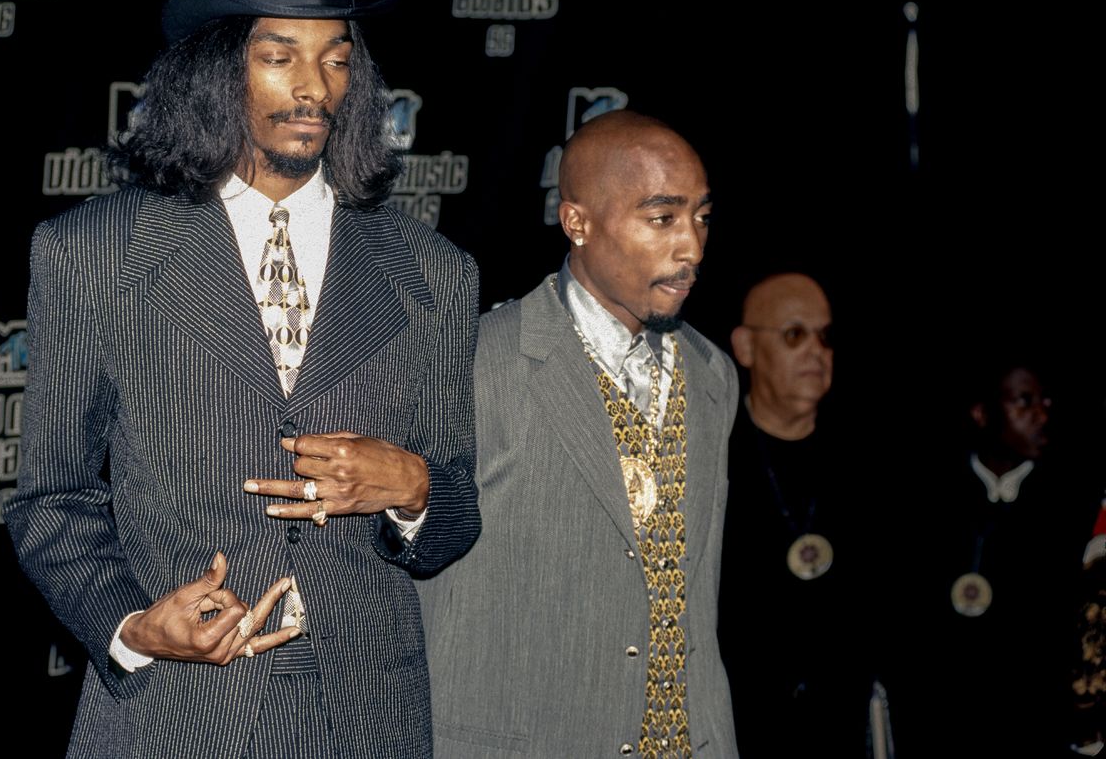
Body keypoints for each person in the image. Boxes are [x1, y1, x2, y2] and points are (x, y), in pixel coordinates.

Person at [3, 0, 480, 758]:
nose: (315, 88)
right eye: (279, 56)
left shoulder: (434, 273)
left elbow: (454, 515)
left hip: (368, 720)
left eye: (337, 57)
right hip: (174, 718)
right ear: (216, 67)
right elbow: (52, 500)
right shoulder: (91, 255)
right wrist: (135, 625)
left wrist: (412, 486)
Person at [417, 110, 739, 758]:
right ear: (578, 223)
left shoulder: (714, 376)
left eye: (701, 216)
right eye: (663, 217)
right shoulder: (480, 363)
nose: (692, 247)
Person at [888, 358, 1096, 757]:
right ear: (982, 413)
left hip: (1034, 730)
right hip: (942, 728)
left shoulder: (1070, 505)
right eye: (1024, 401)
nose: (1041, 414)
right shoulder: (928, 498)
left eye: (1046, 401)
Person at [719, 273, 874, 758]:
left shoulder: (868, 459)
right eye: (793, 334)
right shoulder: (710, 455)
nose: (816, 351)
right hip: (739, 724)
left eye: (824, 336)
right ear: (745, 347)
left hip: (841, 724)